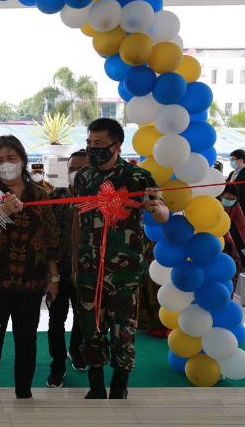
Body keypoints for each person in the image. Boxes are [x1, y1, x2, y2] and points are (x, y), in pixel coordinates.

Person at [73, 118, 169, 400]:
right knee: (90, 327)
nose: (92, 148)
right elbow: (78, 220)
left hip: (125, 269)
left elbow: (163, 214)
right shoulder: (83, 177)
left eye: (98, 143)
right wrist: (76, 261)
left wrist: (155, 208)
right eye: (89, 142)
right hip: (90, 267)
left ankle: (119, 385)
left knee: (122, 329)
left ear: (116, 145)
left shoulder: (137, 177)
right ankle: (95, 386)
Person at [0, 135, 59, 400]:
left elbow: (51, 240)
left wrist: (54, 278)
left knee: (26, 339)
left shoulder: (40, 194)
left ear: (22, 160)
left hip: (30, 281)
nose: (5, 164)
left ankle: (24, 392)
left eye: (11, 158)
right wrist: (3, 211)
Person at [45, 150, 88, 389]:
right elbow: (45, 237)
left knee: (83, 317)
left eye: (82, 169)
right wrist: (51, 273)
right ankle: (58, 364)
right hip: (58, 270)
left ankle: (76, 350)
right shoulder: (54, 197)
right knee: (56, 320)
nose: (76, 174)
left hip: (87, 269)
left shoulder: (100, 199)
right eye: (72, 169)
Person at [221, 185, 245, 281]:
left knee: (235, 259)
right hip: (212, 238)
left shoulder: (235, 206)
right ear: (221, 195)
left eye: (232, 199)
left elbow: (243, 226)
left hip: (226, 237)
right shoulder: (214, 202)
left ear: (236, 199)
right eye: (227, 198)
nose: (229, 202)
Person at [227, 149, 245, 219]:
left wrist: (231, 184)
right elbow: (226, 188)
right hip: (229, 207)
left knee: (240, 226)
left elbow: (241, 190)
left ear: (241, 160)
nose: (231, 162)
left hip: (241, 209)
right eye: (230, 159)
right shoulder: (232, 173)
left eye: (233, 159)